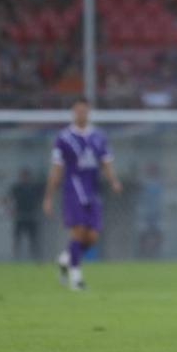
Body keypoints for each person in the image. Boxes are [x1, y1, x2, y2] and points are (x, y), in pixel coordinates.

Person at [43, 98, 123, 290]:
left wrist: (113, 180)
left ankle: (66, 258)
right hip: (72, 189)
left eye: (84, 111)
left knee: (92, 237)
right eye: (78, 111)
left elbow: (106, 162)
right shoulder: (63, 138)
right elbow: (56, 168)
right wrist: (48, 196)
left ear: (88, 112)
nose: (81, 114)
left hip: (92, 190)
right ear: (73, 112)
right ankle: (76, 278)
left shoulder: (99, 136)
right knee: (78, 231)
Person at [8, 168, 44, 261]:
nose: (25, 178)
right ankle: (15, 258)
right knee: (17, 239)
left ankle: (36, 258)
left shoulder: (34, 188)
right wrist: (11, 209)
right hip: (20, 216)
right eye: (23, 176)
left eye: (26, 176)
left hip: (31, 216)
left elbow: (40, 199)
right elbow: (10, 199)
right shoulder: (16, 188)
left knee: (33, 239)